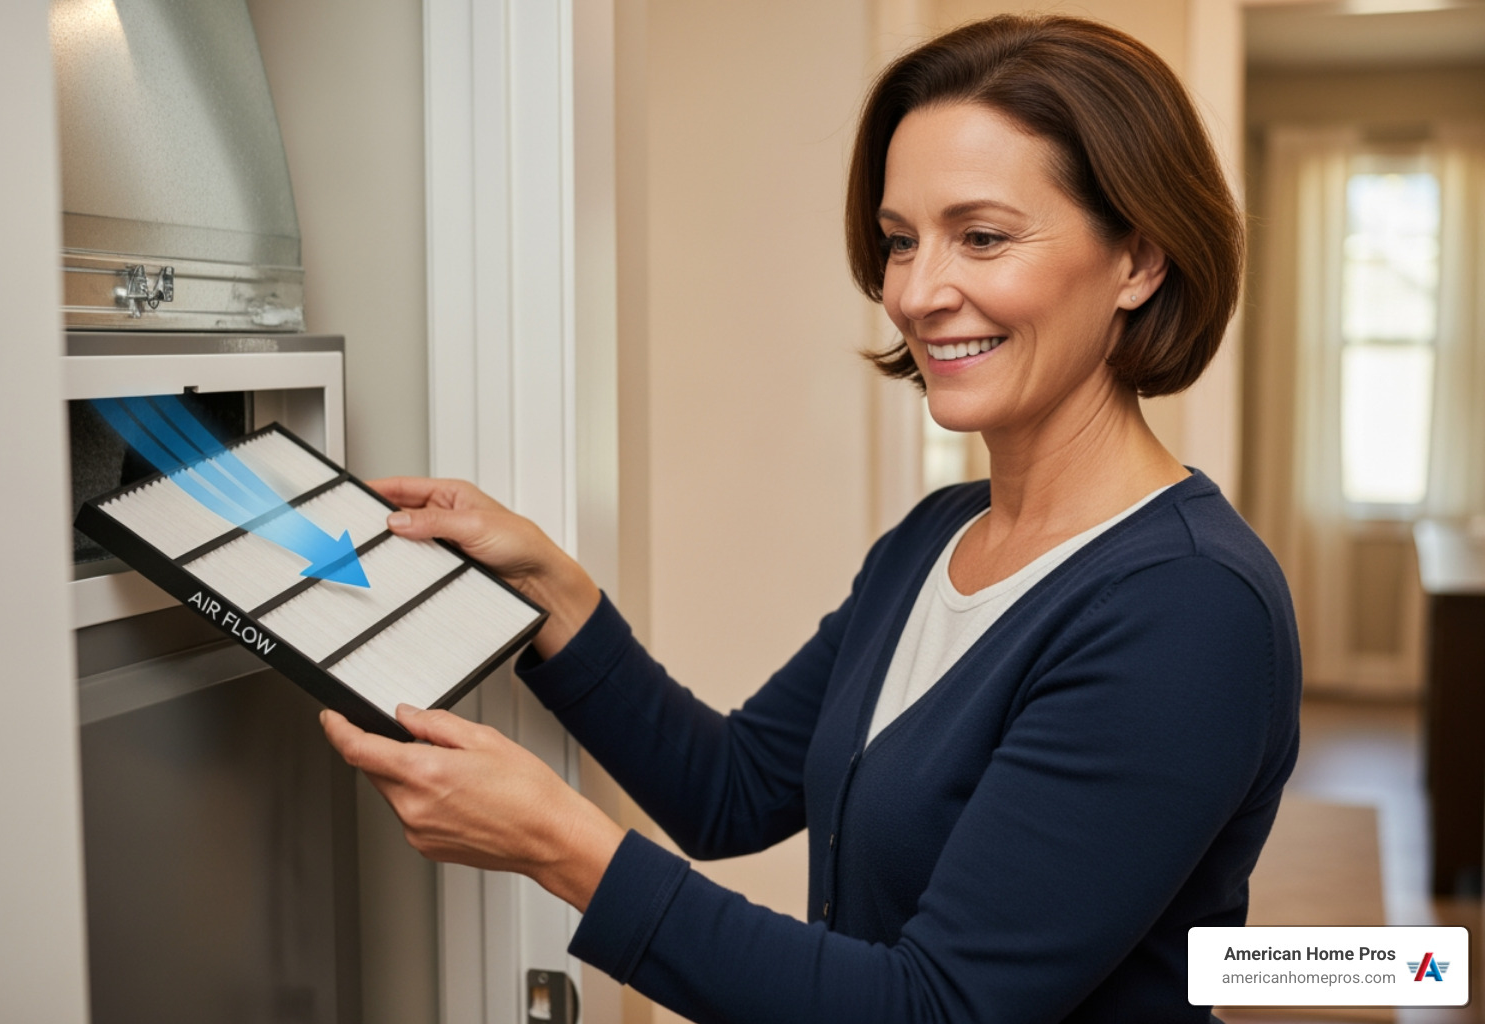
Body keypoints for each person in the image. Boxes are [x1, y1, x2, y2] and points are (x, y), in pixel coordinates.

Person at [322, 14, 1300, 1022]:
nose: (917, 293)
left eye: (982, 237)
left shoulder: (1188, 609)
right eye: (900, 241)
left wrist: (558, 846)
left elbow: (938, 1009)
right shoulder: (937, 536)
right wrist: (551, 590)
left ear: (1139, 261)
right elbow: (733, 788)